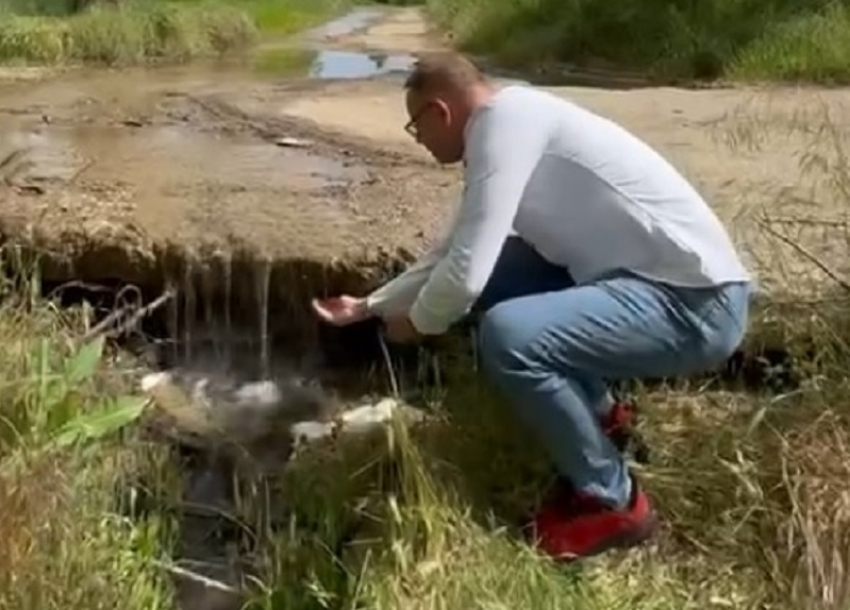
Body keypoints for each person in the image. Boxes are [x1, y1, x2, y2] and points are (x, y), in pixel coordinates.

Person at [311, 52, 752, 562]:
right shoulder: (513, 119)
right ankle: (601, 418)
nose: (421, 141)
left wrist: (420, 321)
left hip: (695, 306)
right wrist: (367, 305)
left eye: (417, 127)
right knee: (510, 265)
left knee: (510, 335)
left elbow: (466, 271)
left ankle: (612, 499)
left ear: (439, 111)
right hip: (660, 288)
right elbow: (454, 252)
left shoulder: (502, 128)